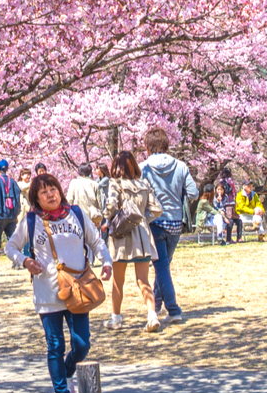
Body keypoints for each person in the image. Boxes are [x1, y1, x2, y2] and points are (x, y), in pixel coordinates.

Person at [5, 172, 108, 393]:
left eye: (53, 189)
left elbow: (96, 241)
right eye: (44, 192)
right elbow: (10, 246)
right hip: (47, 293)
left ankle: (67, 371)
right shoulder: (31, 221)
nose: (50, 194)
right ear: (36, 198)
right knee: (55, 345)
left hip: (78, 291)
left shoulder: (77, 214)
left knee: (82, 344)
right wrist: (25, 261)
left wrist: (106, 261)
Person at [139, 128, 196, 325]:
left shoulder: (143, 168)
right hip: (176, 223)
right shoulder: (181, 166)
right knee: (162, 266)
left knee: (161, 267)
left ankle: (173, 309)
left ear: (147, 146)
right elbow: (194, 192)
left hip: (155, 222)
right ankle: (155, 306)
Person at [103, 150, 162, 331]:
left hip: (121, 236)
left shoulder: (115, 183)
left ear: (116, 167)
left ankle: (116, 319)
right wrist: (142, 219)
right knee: (143, 280)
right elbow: (157, 209)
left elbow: (111, 205)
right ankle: (152, 315)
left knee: (117, 281)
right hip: (142, 237)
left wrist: (106, 219)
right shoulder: (144, 184)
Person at [67, 161, 104, 231]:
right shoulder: (95, 184)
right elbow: (99, 203)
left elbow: (69, 200)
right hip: (92, 218)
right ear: (90, 172)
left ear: (79, 172)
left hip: (77, 217)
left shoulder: (74, 182)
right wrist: (99, 218)